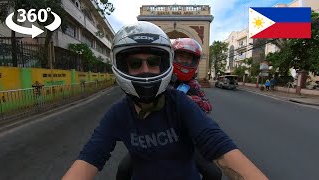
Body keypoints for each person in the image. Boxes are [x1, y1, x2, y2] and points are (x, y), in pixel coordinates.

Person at [62, 21, 268, 180]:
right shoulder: (118, 114)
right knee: (123, 170)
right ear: (122, 67)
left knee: (213, 173)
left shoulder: (180, 103)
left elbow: (219, 146)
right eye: (135, 63)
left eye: (153, 62)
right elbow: (90, 157)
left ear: (164, 64)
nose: (145, 70)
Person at [116, 38, 217, 180]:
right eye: (181, 56)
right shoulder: (160, 79)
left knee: (214, 174)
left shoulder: (194, 85)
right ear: (172, 57)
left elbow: (207, 106)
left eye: (189, 58)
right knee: (123, 170)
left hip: (187, 139)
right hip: (155, 136)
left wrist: (188, 100)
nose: (185, 61)